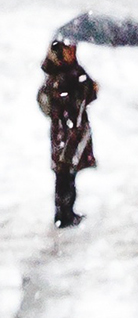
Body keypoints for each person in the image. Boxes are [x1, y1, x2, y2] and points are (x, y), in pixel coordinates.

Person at [38, 37, 98, 228]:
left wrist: (91, 89)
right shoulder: (58, 76)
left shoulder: (74, 71)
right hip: (65, 131)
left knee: (69, 172)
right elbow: (56, 102)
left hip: (74, 129)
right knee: (64, 172)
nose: (72, 52)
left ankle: (67, 212)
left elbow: (85, 96)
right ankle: (63, 214)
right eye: (69, 49)